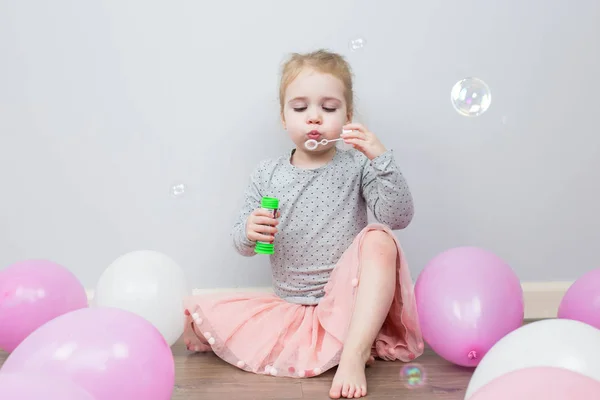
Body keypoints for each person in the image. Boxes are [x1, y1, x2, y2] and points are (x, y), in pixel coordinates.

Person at [182, 49, 424, 399]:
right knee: (208, 321)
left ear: (348, 116)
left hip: (348, 306)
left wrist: (381, 158)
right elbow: (240, 243)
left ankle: (353, 354)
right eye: (300, 108)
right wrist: (250, 231)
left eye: (328, 108)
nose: (314, 118)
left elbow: (398, 218)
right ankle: (327, 346)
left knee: (380, 239)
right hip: (291, 305)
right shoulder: (268, 173)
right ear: (283, 117)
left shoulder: (357, 165)